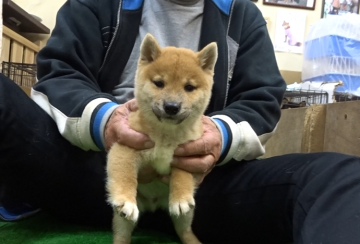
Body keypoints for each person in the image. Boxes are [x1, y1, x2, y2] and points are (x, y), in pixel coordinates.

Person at [1, 0, 360, 243]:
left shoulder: (242, 16)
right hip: (84, 171)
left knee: (343, 179)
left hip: (196, 187)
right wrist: (106, 121)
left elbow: (262, 99)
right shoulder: (97, 4)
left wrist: (217, 137)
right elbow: (58, 74)